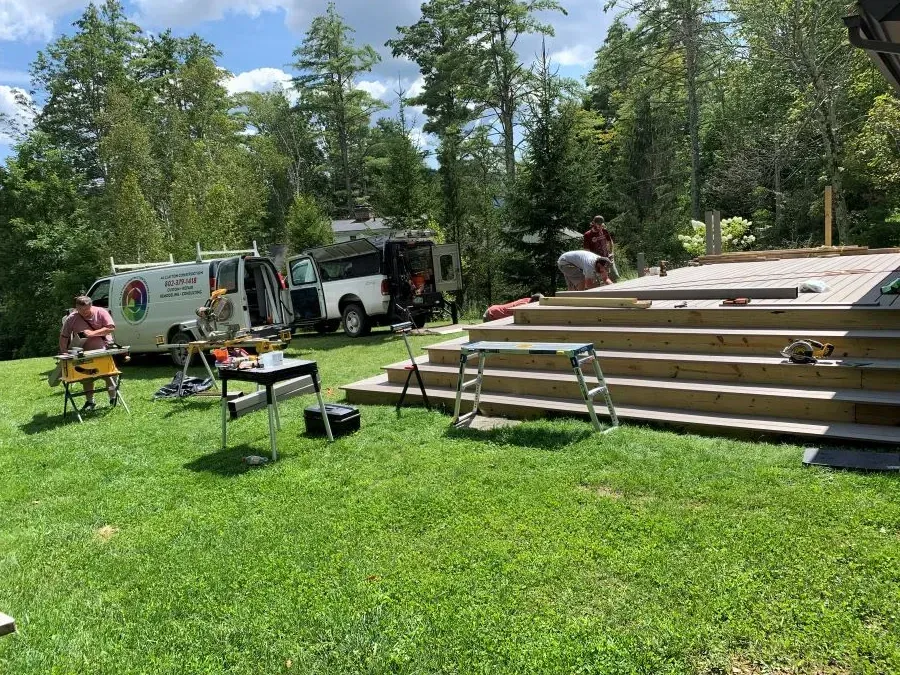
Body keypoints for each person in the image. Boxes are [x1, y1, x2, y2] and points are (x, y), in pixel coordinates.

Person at [58, 295, 118, 411]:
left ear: (91, 305)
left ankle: (113, 398)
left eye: (86, 309)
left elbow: (110, 328)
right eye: (81, 310)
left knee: (109, 375)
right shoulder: (72, 318)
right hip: (83, 354)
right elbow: (64, 336)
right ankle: (90, 402)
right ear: (76, 308)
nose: (84, 312)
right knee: (87, 378)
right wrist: (64, 352)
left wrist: (92, 333)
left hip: (103, 351)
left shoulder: (101, 312)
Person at [583, 215, 619, 281]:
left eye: (601, 224)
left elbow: (610, 241)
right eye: (597, 224)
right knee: (601, 280)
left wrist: (612, 253)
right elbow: (586, 250)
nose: (599, 226)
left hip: (607, 258)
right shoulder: (587, 235)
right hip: (597, 261)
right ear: (593, 223)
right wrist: (593, 261)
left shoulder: (604, 231)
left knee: (614, 276)